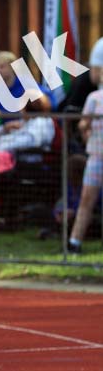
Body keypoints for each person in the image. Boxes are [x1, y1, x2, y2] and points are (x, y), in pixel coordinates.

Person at [68, 52, 103, 253]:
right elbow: (83, 123)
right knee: (86, 198)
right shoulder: (94, 98)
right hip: (97, 155)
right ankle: (75, 241)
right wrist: (87, 133)